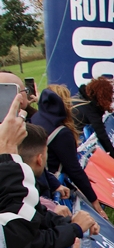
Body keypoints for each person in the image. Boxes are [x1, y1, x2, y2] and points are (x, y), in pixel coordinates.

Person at [30, 87, 103, 215]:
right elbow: (74, 169)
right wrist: (94, 200)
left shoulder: (36, 118)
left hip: (37, 181)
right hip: (51, 185)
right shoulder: (61, 133)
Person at [71, 78, 114, 159]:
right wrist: (113, 156)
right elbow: (101, 134)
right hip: (68, 139)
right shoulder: (91, 110)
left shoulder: (80, 97)